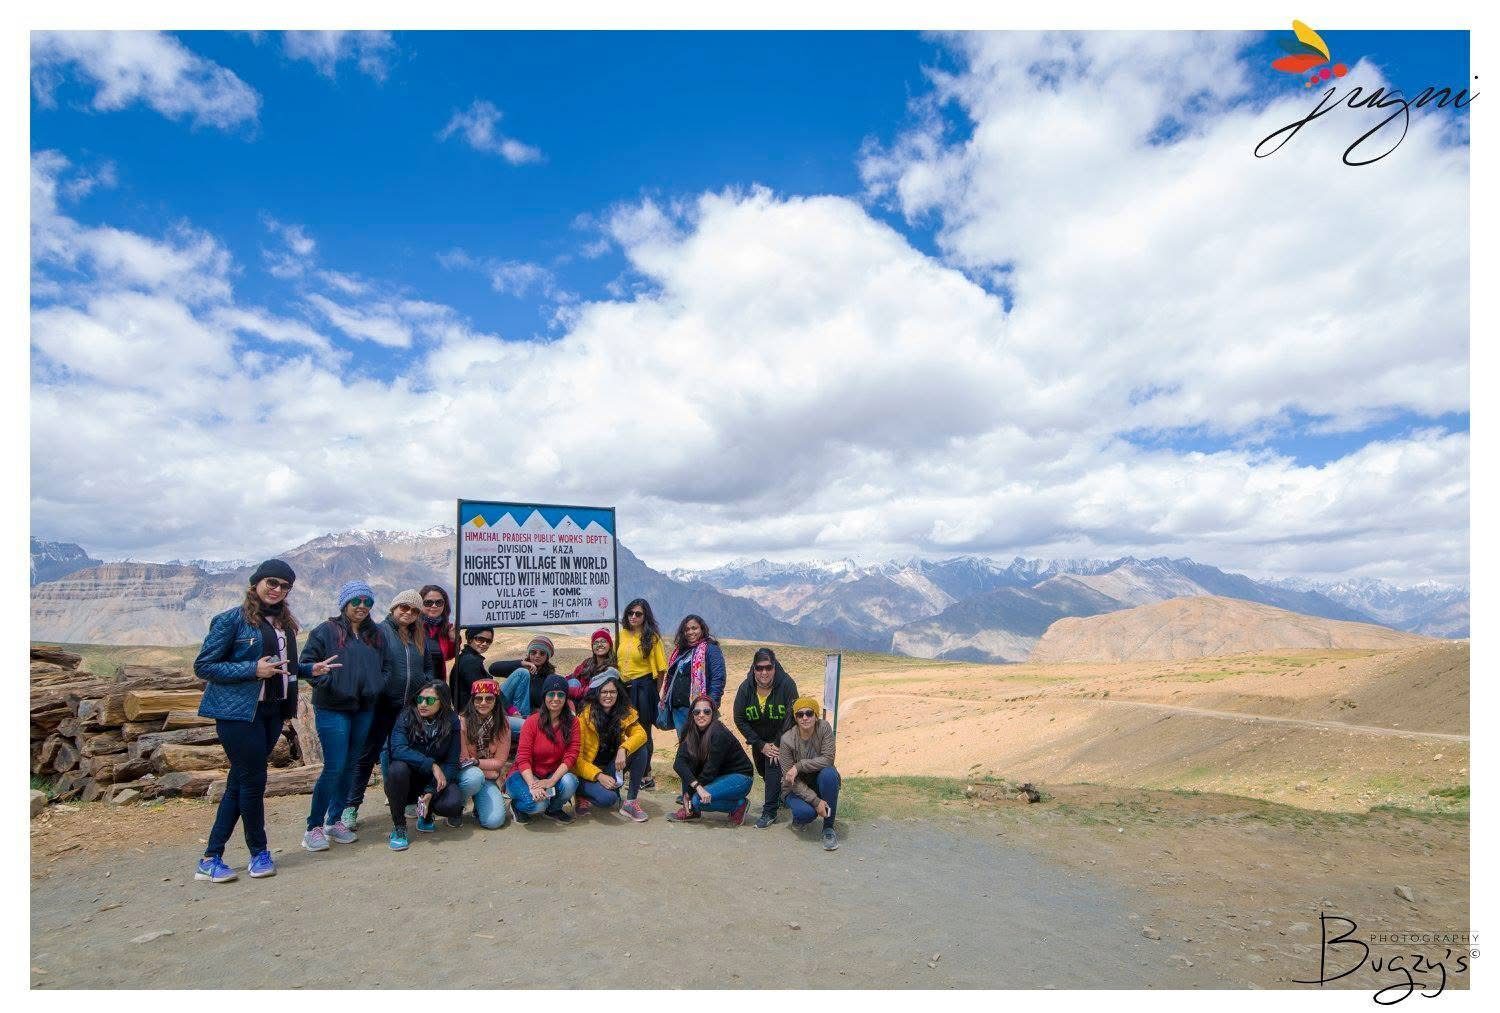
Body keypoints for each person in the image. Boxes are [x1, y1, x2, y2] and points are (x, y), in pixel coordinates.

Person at [192, 560, 339, 883]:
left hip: (273, 711)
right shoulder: (232, 620)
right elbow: (204, 666)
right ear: (256, 583)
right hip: (238, 713)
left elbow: (284, 666)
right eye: (272, 582)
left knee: (239, 783)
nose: (277, 589)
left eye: (285, 586)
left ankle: (211, 857)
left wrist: (308, 670)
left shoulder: (285, 624)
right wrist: (250, 670)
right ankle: (259, 852)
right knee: (253, 782)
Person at [298, 580, 387, 853]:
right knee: (334, 766)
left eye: (367, 602)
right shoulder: (325, 632)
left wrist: (377, 685)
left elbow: (385, 667)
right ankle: (313, 826)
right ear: (344, 603)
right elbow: (304, 667)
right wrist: (324, 681)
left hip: (364, 709)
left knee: (351, 766)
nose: (362, 607)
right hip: (333, 708)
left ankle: (334, 820)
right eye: (356, 601)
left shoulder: (375, 635)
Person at [343, 589, 432, 831]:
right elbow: (365, 665)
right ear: (393, 608)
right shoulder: (379, 632)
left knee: (406, 755)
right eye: (404, 607)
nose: (409, 613)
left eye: (414, 610)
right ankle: (350, 807)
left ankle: (407, 800)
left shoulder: (419, 637)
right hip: (379, 706)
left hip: (409, 708)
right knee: (366, 756)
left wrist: (426, 688)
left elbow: (427, 668)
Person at [384, 680, 464, 850]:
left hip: (433, 781)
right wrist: (432, 764)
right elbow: (397, 749)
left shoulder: (452, 720)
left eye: (429, 701)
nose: (422, 704)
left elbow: (451, 762)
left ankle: (426, 815)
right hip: (408, 779)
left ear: (442, 701)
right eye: (420, 699)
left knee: (453, 803)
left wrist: (431, 791)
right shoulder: (407, 716)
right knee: (397, 770)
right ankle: (399, 827)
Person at [732, 647, 800, 829]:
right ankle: (780, 795)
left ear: (775, 667)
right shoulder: (746, 688)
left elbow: (792, 716)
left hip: (781, 739)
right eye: (759, 668)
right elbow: (739, 718)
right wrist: (760, 744)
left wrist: (776, 744)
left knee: (772, 767)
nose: (764, 672)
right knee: (763, 770)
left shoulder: (786, 684)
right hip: (758, 740)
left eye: (768, 667)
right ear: (753, 668)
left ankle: (769, 811)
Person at [571, 671, 649, 822]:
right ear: (597, 694)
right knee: (608, 800)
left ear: (618, 693)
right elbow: (576, 760)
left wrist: (623, 748)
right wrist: (599, 776)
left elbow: (641, 734)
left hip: (610, 767)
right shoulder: (584, 719)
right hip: (588, 773)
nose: (609, 696)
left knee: (641, 748)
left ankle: (630, 802)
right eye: (604, 692)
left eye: (613, 691)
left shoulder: (623, 712)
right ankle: (581, 792)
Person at [505, 674, 580, 824]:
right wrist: (533, 784)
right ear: (544, 696)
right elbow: (523, 758)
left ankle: (553, 809)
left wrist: (551, 781)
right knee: (537, 804)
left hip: (550, 774)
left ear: (566, 698)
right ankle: (517, 806)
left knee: (570, 781)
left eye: (561, 694)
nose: (556, 698)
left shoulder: (573, 722)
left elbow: (572, 754)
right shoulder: (532, 722)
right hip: (523, 774)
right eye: (551, 694)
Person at [669, 694, 753, 825]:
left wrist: (691, 793)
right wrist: (689, 791)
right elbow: (679, 763)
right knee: (689, 766)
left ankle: (738, 805)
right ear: (692, 714)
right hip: (718, 777)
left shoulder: (719, 733)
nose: (701, 715)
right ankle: (693, 811)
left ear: (713, 713)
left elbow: (710, 770)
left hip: (740, 778)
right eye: (697, 712)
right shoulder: (690, 730)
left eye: (706, 711)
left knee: (697, 800)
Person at [779, 697, 842, 851]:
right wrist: (816, 801)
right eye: (800, 715)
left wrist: (799, 765)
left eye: (809, 713)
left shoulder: (824, 728)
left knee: (830, 774)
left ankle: (828, 828)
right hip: (795, 788)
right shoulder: (787, 740)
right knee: (807, 813)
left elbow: (828, 759)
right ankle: (801, 818)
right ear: (795, 718)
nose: (805, 717)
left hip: (820, 780)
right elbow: (790, 779)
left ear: (816, 715)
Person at [617, 599, 666, 790]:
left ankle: (646, 775)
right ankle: (629, 769)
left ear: (645, 616)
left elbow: (661, 670)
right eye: (630, 613)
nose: (634, 617)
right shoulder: (621, 635)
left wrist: (656, 694)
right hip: (624, 689)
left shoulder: (652, 638)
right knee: (625, 728)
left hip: (645, 688)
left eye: (638, 614)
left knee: (643, 730)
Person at [457, 678, 511, 830]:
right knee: (474, 777)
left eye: (489, 698)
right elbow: (463, 761)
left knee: (494, 821)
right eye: (478, 698)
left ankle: (480, 807)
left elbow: (500, 762)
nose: (483, 703)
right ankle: (458, 806)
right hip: (467, 776)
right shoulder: (462, 722)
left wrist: (476, 763)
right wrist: (490, 772)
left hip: (484, 777)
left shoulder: (503, 724)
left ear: (496, 700)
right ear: (472, 700)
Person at [661, 614, 726, 736]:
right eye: (687, 629)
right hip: (679, 709)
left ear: (702, 629)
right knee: (685, 745)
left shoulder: (711, 649)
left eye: (694, 628)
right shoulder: (680, 651)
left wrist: (710, 705)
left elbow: (718, 678)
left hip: (700, 710)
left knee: (703, 745)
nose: (690, 632)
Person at [489, 635, 557, 735]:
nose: (537, 656)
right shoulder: (520, 669)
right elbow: (493, 669)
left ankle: (519, 722)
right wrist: (521, 663)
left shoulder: (549, 678)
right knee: (522, 673)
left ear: (547, 656)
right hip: (504, 707)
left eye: (542, 653)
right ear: (529, 653)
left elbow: (542, 702)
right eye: (533, 652)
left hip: (522, 713)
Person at [569, 627, 616, 709]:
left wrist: (569, 690)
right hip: (580, 699)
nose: (599, 645)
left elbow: (593, 690)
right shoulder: (587, 663)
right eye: (596, 643)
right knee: (573, 681)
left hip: (596, 703)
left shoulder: (612, 668)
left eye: (603, 641)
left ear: (610, 645)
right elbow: (572, 676)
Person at [450, 626, 494, 713]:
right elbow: (484, 691)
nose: (484, 643)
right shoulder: (470, 662)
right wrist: (510, 710)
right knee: (520, 674)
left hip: (477, 709)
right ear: (470, 639)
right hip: (473, 714)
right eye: (480, 639)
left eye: (488, 641)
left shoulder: (468, 657)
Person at [419, 585, 457, 684]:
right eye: (428, 602)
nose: (434, 606)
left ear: (444, 605)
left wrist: (453, 640)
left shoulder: (446, 628)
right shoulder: (411, 626)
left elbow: (448, 656)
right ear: (420, 604)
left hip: (437, 685)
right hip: (416, 685)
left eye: (439, 602)